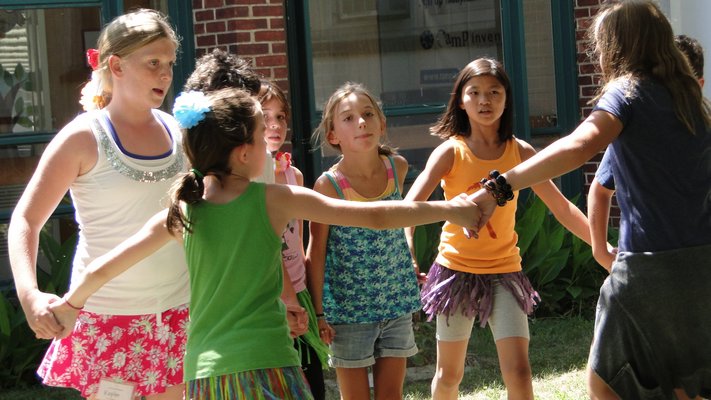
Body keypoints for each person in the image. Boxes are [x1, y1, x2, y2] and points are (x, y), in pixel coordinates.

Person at [48, 87, 482, 399]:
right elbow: (375, 215)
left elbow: (103, 267)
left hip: (205, 376)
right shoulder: (273, 199)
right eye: (261, 136)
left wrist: (70, 305)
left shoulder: (185, 208)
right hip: (267, 364)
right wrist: (450, 209)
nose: (270, 143)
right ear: (243, 153)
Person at [467, 2, 711, 399]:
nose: (597, 55)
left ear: (619, 45)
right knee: (685, 385)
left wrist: (499, 185)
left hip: (650, 268)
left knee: (603, 384)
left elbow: (580, 146)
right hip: (701, 266)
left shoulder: (628, 90)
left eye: (600, 45)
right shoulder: (690, 102)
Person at [7, 9, 189, 399]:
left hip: (180, 315)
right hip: (107, 318)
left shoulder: (180, 132)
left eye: (169, 63)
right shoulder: (82, 138)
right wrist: (29, 295)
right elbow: (26, 218)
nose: (165, 74)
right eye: (153, 63)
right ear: (116, 66)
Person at [403, 57, 593, 400]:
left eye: (494, 92)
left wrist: (601, 246)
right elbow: (410, 210)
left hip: (505, 272)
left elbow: (562, 208)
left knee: (519, 372)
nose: (484, 101)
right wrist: (409, 251)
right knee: (449, 376)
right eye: (474, 92)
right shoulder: (450, 152)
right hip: (454, 274)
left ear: (507, 99)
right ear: (461, 99)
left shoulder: (520, 152)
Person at [306, 82, 427, 399]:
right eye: (348, 118)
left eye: (368, 114)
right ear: (333, 135)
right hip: (349, 314)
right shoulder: (329, 186)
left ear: (381, 123)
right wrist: (318, 313)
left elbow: (398, 228)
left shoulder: (396, 168)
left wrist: (408, 259)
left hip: (396, 303)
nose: (361, 122)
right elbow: (315, 253)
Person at [588, 33, 705, 271]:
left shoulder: (706, 129)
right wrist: (600, 251)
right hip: (645, 264)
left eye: (680, 83)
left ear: (699, 84)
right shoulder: (636, 134)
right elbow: (600, 190)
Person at [259, 78, 330, 400]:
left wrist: (313, 308)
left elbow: (298, 247)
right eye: (265, 116)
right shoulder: (247, 182)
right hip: (268, 300)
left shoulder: (294, 175)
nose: (275, 125)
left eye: (281, 117)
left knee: (312, 381)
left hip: (298, 293)